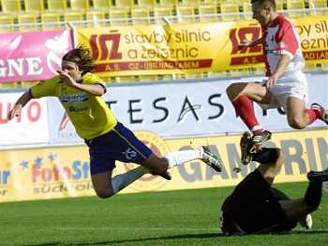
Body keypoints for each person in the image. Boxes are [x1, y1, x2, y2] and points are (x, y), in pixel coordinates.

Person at [7, 46, 223, 199]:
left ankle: (200, 153)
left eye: (70, 68)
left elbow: (100, 91)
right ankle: (144, 169)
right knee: (103, 192)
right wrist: (19, 104)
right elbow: (30, 93)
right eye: (63, 68)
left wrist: (75, 85)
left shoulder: (89, 81)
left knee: (160, 165)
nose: (65, 72)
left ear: (81, 71)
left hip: (113, 134)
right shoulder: (56, 84)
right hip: (94, 143)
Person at [226, 0, 328, 156]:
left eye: (255, 11)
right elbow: (269, 40)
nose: (253, 16)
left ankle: (317, 111)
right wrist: (252, 43)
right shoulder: (268, 26)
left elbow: (287, 54)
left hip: (291, 81)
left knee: (297, 122)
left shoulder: (284, 24)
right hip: (273, 82)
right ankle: (259, 132)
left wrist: (276, 75)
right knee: (234, 90)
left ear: (267, 9)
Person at [219, 131, 328, 235]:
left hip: (237, 210)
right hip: (240, 218)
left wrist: (304, 212)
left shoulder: (285, 214)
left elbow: (305, 205)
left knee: (277, 156)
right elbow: (305, 205)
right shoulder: (285, 217)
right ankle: (254, 154)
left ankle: (254, 154)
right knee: (307, 205)